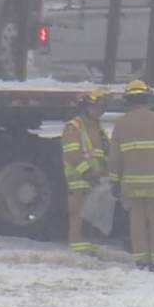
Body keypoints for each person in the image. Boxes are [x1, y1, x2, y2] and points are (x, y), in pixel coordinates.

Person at [108, 79, 154, 270]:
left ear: (128, 101)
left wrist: (114, 182)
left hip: (131, 186)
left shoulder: (121, 124)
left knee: (137, 224)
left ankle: (141, 260)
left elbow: (115, 157)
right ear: (146, 98)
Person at [61, 89, 110, 254]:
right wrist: (87, 172)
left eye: (101, 107)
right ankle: (76, 244)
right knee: (77, 212)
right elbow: (72, 154)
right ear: (85, 107)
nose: (99, 111)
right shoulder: (74, 127)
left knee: (91, 213)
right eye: (95, 107)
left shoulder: (97, 127)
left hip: (95, 178)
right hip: (79, 178)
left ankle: (87, 243)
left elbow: (102, 151)